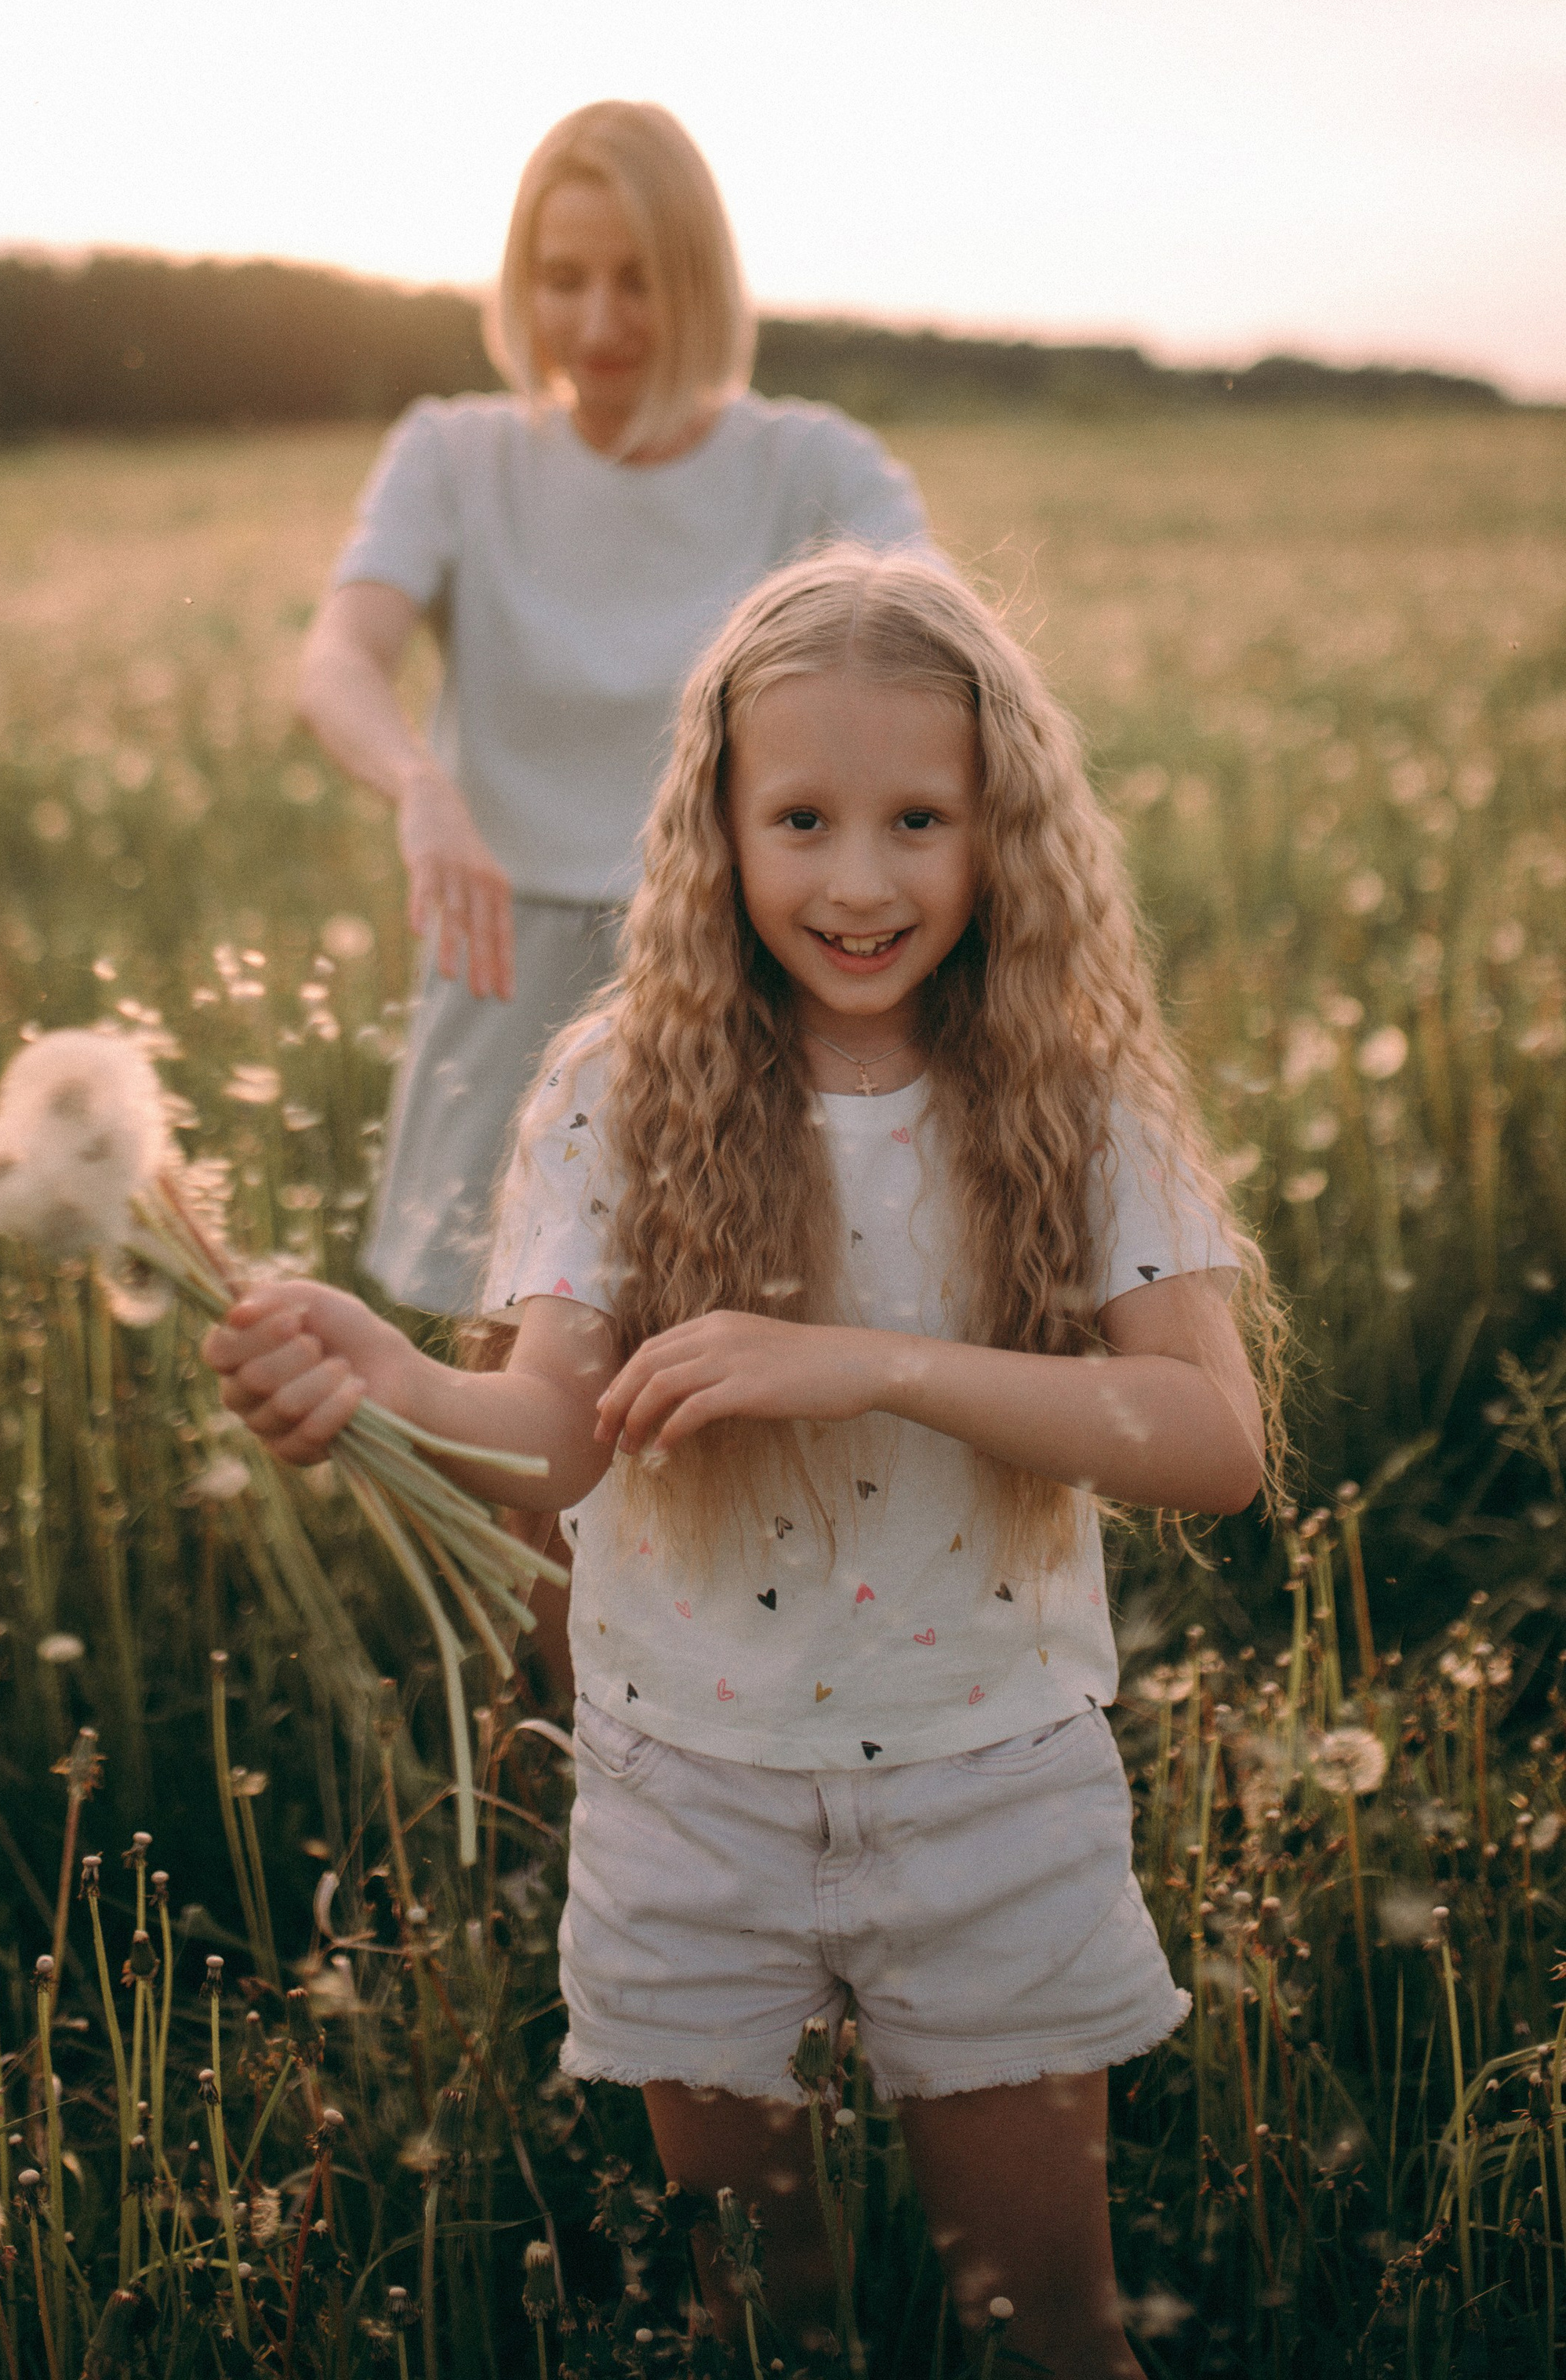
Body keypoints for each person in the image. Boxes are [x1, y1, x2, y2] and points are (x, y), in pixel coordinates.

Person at [207, 547, 1287, 2373]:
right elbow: (552, 1434)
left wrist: (863, 1362)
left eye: (915, 819)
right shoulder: (613, 1087)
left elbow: (1209, 1443)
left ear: (997, 828)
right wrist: (387, 1377)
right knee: (760, 2329)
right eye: (799, 817)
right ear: (716, 827)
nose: (856, 880)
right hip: (686, 1791)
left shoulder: (1073, 1093)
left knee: (1047, 2329)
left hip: (988, 1787)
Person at [296, 100, 935, 1321]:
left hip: (749, 982)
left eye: (639, 280)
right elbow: (337, 658)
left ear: (702, 284)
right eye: (563, 278)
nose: (598, 324)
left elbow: (955, 658)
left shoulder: (812, 466)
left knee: (726, 1396)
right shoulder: (455, 456)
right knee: (512, 1425)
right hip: (505, 981)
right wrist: (421, 789)